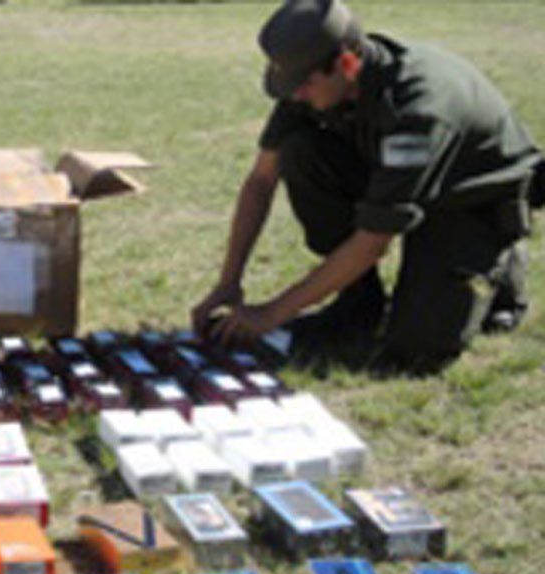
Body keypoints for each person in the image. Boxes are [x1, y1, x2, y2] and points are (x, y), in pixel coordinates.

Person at [191, 0, 543, 368]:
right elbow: (261, 180)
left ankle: (500, 264)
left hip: (468, 197)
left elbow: (373, 240)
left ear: (347, 64)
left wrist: (272, 313)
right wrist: (228, 283)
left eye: (304, 85)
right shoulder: (313, 79)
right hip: (397, 176)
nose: (296, 96)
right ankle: (359, 300)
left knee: (416, 349)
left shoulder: (417, 108)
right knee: (301, 151)